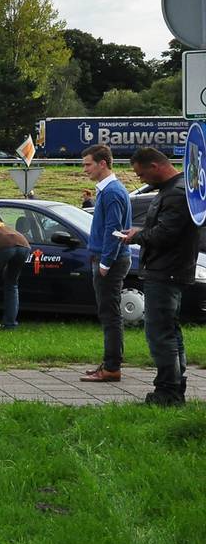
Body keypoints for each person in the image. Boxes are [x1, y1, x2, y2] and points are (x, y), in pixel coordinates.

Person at [121, 148, 196, 406]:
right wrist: (143, 231)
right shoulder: (174, 190)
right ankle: (174, 386)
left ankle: (168, 392)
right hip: (169, 269)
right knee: (170, 332)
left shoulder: (175, 194)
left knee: (160, 334)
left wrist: (136, 236)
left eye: (141, 174)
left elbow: (165, 235)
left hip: (165, 271)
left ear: (155, 166)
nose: (141, 180)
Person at [80, 145, 131, 383]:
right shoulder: (106, 190)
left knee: (110, 315)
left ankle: (112, 367)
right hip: (104, 257)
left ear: (103, 164)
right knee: (108, 313)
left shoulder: (111, 192)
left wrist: (106, 263)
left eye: (88, 164)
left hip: (109, 260)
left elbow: (114, 230)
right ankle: (109, 363)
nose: (84, 169)